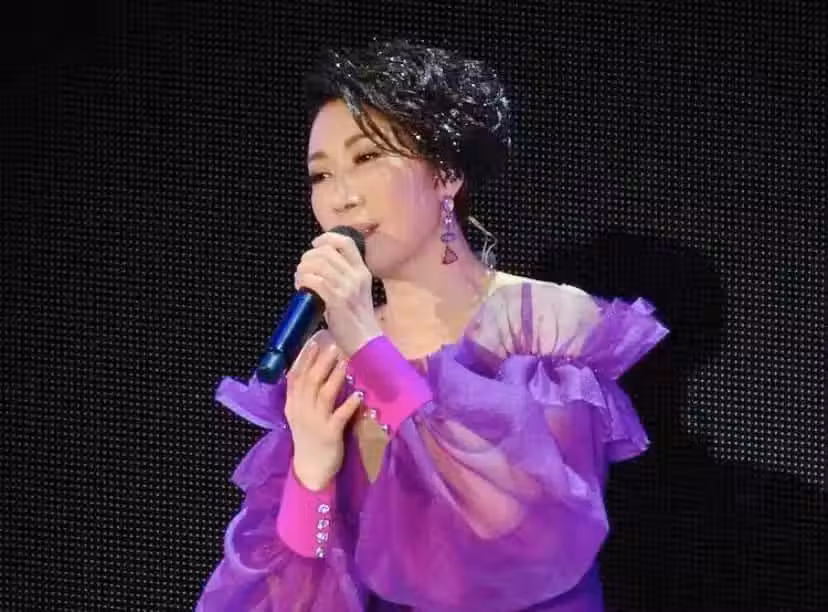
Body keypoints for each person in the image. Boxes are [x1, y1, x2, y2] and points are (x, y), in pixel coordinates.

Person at [195, 38, 668, 612]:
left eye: (367, 158)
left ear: (445, 173)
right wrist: (311, 474)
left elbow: (515, 537)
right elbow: (297, 583)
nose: (341, 197)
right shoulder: (327, 358)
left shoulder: (543, 326)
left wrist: (367, 344)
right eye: (320, 175)